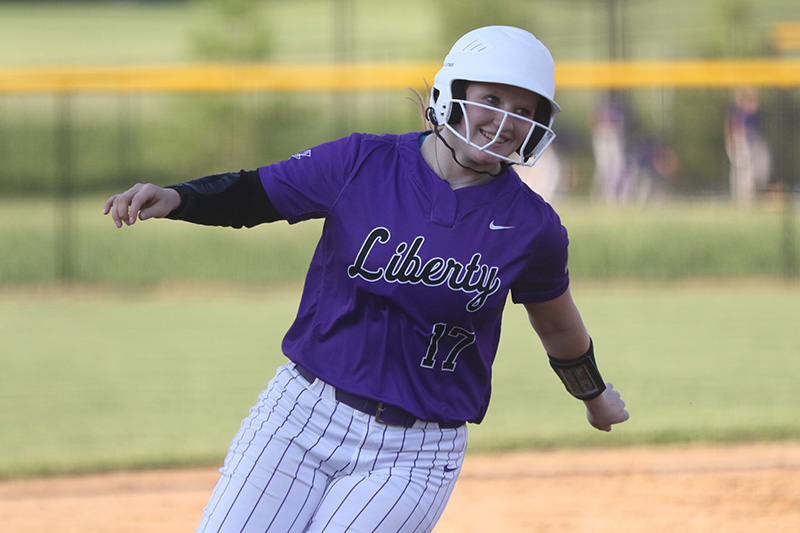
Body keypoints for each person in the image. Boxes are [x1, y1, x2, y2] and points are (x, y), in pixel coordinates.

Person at [103, 26, 629, 533]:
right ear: (454, 95)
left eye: (523, 111)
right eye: (491, 99)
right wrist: (177, 198)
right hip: (302, 417)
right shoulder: (363, 161)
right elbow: (256, 194)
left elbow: (559, 328)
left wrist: (594, 395)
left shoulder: (533, 226)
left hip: (417, 451)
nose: (504, 121)